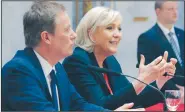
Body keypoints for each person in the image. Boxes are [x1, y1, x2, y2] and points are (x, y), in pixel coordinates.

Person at [1, 1, 144, 111]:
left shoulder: (56, 67)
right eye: (67, 29)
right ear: (46, 37)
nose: (74, 35)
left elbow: (78, 105)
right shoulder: (18, 72)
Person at [63, 6, 177, 110]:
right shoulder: (76, 62)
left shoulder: (111, 61)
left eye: (119, 29)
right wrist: (142, 80)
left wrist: (159, 81)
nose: (117, 34)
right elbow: (101, 106)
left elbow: (131, 99)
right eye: (110, 28)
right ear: (91, 34)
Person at [137, 1, 184, 92]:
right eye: (170, 9)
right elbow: (150, 72)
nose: (175, 12)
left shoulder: (182, 34)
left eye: (176, 9)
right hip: (165, 94)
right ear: (158, 11)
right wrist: (177, 91)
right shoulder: (146, 38)